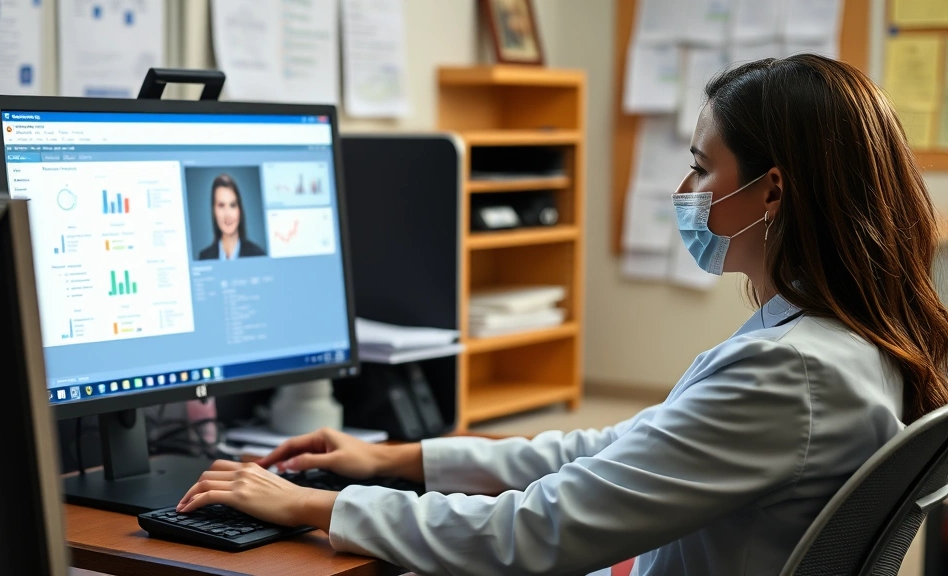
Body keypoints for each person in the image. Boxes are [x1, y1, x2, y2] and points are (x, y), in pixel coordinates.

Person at [178, 55, 948, 575]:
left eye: (702, 164)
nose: (686, 185)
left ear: (772, 192)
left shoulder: (793, 372)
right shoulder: (848, 340)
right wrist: (398, 460)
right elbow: (616, 449)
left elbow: (537, 531)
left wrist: (317, 506)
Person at [196, 174, 265, 260]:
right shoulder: (204, 257)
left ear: (239, 210)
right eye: (221, 205)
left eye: (232, 205)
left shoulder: (258, 255)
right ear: (214, 210)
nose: (227, 214)